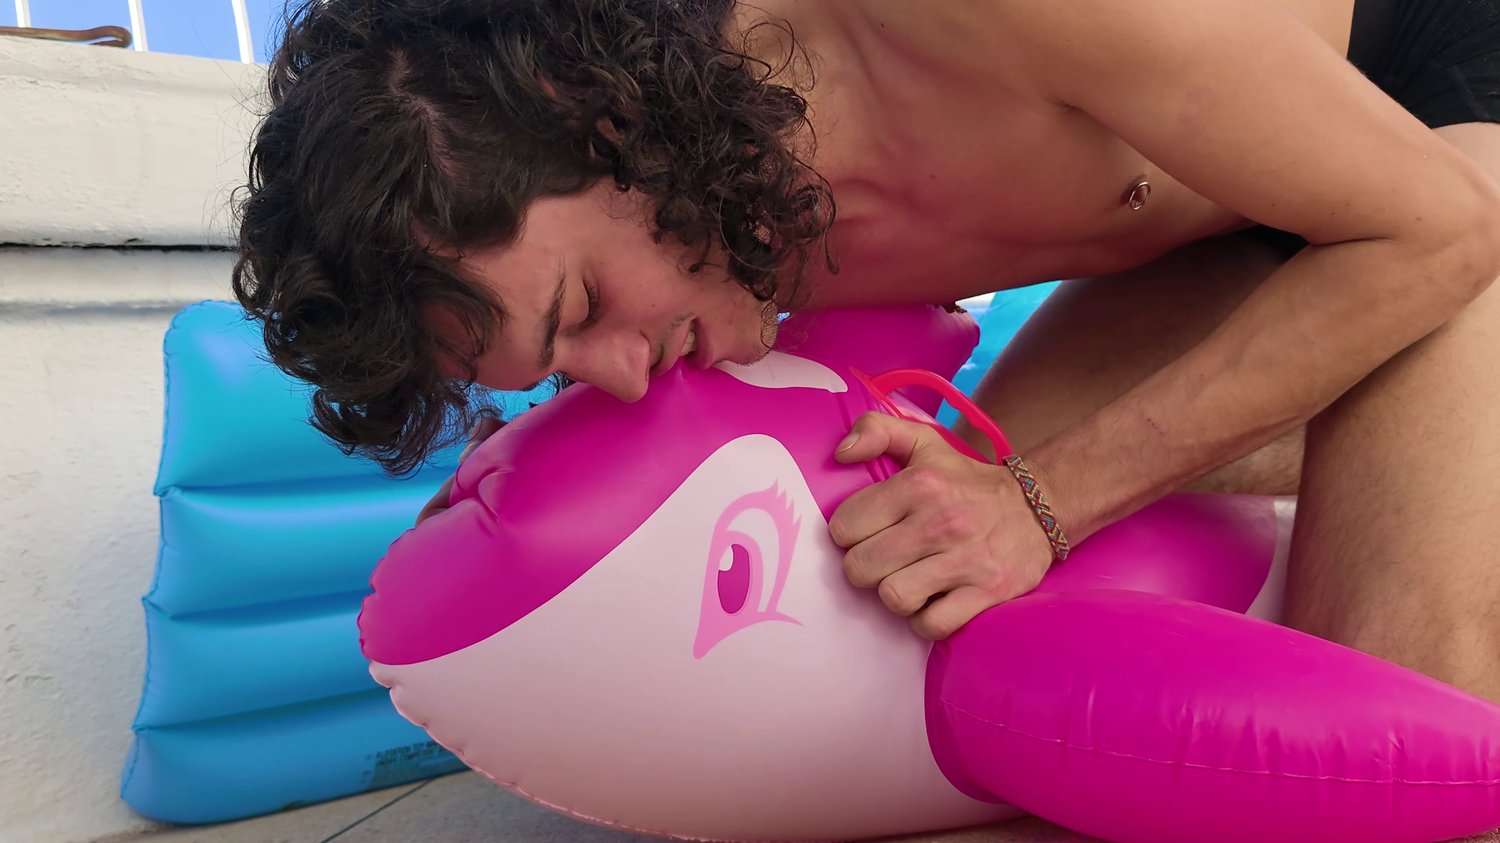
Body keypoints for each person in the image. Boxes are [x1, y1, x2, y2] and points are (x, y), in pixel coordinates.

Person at [233, 0, 1500, 705]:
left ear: (609, 120)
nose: (620, 373)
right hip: (1218, 236)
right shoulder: (711, 215)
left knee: (1400, 688)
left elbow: (1438, 226)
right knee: (942, 608)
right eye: (555, 372)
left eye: (583, 308)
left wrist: (1046, 499)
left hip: (1434, 128)